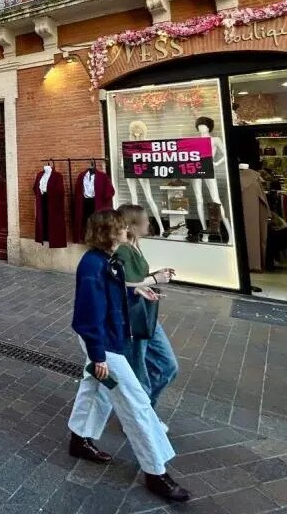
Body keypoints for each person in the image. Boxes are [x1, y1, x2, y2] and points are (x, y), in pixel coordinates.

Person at [68, 210, 190, 504]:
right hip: (104, 345)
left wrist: (138, 292)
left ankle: (79, 438)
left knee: (96, 388)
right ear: (109, 233)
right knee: (135, 403)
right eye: (121, 229)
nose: (125, 233)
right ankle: (155, 470)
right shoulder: (92, 265)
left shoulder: (107, 261)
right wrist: (98, 356)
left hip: (112, 340)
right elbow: (89, 315)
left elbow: (114, 295)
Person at [117, 204, 179, 411]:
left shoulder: (135, 246)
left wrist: (156, 274)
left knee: (167, 365)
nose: (149, 223)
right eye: (145, 220)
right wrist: (154, 279)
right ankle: (141, 416)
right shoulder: (124, 250)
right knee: (140, 371)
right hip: (133, 317)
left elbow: (137, 277)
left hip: (145, 313)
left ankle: (144, 410)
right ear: (133, 225)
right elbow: (120, 284)